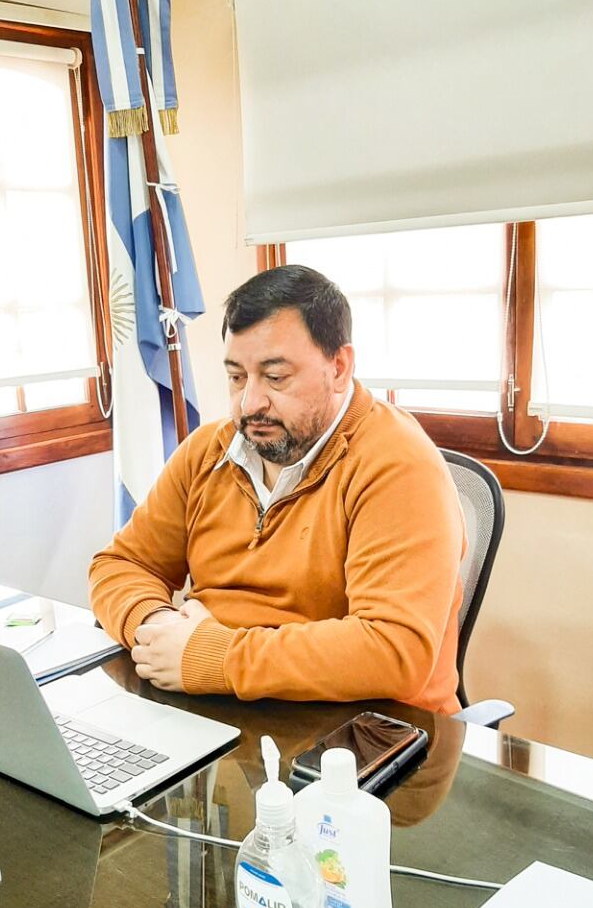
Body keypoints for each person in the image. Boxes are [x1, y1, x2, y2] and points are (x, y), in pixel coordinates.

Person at [89, 264, 465, 711]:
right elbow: (120, 564)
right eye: (236, 376)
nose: (250, 403)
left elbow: (391, 650)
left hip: (363, 735)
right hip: (216, 704)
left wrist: (215, 655)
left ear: (339, 367)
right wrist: (158, 628)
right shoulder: (208, 451)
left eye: (275, 377)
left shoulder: (398, 464)